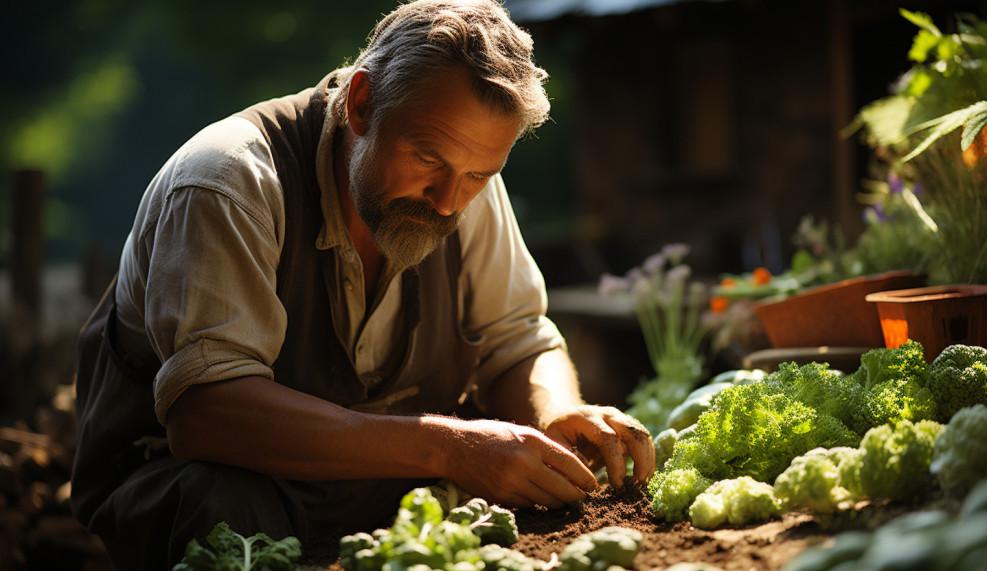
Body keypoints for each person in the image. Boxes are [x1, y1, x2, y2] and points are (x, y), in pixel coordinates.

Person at [71, 1, 654, 568]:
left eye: (480, 174)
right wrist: (449, 446)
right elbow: (209, 414)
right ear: (361, 103)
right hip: (218, 486)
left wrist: (553, 411)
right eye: (428, 157)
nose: (450, 201)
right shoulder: (227, 183)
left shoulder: (462, 179)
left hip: (385, 485)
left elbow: (519, 338)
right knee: (225, 507)